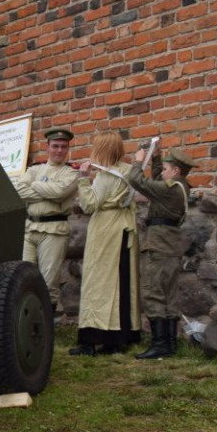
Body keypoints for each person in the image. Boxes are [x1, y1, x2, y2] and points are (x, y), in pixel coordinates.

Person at [69, 132, 141, 355]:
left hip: (106, 230)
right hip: (124, 229)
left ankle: (93, 338)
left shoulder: (105, 177)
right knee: (121, 280)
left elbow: (90, 205)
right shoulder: (128, 170)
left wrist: (83, 179)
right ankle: (119, 338)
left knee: (98, 282)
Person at [127, 141, 195, 359]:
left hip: (158, 246)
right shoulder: (179, 187)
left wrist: (138, 161)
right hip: (170, 246)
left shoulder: (169, 190)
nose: (162, 172)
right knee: (169, 295)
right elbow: (158, 180)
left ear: (175, 171)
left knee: (153, 292)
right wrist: (157, 158)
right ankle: (170, 344)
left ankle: (160, 344)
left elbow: (138, 181)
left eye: (166, 169)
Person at [14, 128, 80, 313]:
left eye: (63, 147)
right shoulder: (35, 169)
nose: (59, 150)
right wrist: (47, 191)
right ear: (47, 147)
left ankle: (46, 330)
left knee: (48, 282)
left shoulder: (71, 173)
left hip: (54, 230)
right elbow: (19, 192)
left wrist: (34, 185)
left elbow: (60, 193)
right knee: (23, 278)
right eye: (55, 146)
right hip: (30, 228)